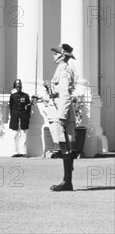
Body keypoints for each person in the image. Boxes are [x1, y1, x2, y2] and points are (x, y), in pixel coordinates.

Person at [44, 43, 77, 192]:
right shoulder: (60, 69)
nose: (53, 55)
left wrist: (61, 117)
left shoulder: (64, 71)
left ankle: (67, 182)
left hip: (60, 111)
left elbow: (65, 95)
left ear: (62, 55)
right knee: (64, 146)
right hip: (57, 108)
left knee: (65, 146)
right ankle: (67, 181)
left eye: (56, 53)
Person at [9, 79, 32, 157]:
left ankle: (23, 152)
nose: (18, 86)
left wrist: (28, 116)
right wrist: (12, 115)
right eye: (17, 84)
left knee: (23, 134)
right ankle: (14, 152)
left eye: (19, 84)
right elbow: (10, 107)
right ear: (15, 86)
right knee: (14, 134)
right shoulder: (13, 96)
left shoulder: (25, 96)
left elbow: (29, 106)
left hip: (23, 116)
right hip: (15, 117)